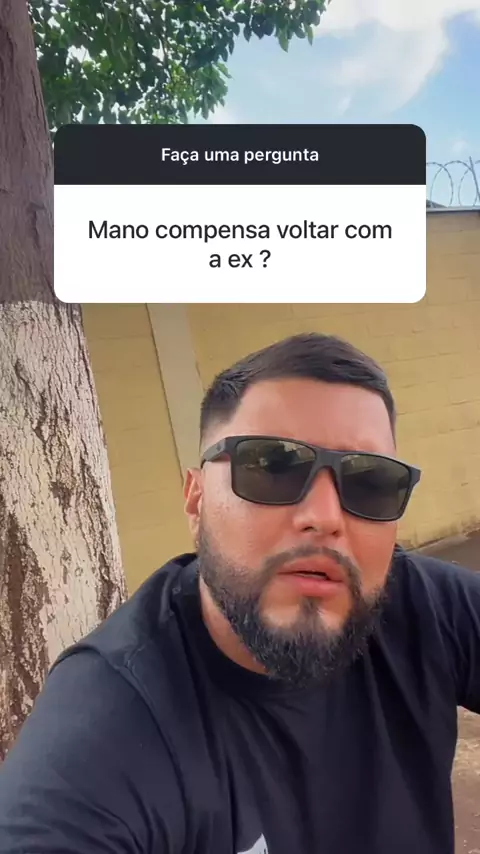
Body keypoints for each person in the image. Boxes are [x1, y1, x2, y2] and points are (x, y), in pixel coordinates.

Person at [0, 332, 479, 854]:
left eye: (370, 481)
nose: (324, 517)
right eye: (272, 467)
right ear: (196, 500)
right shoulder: (112, 722)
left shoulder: (424, 607)